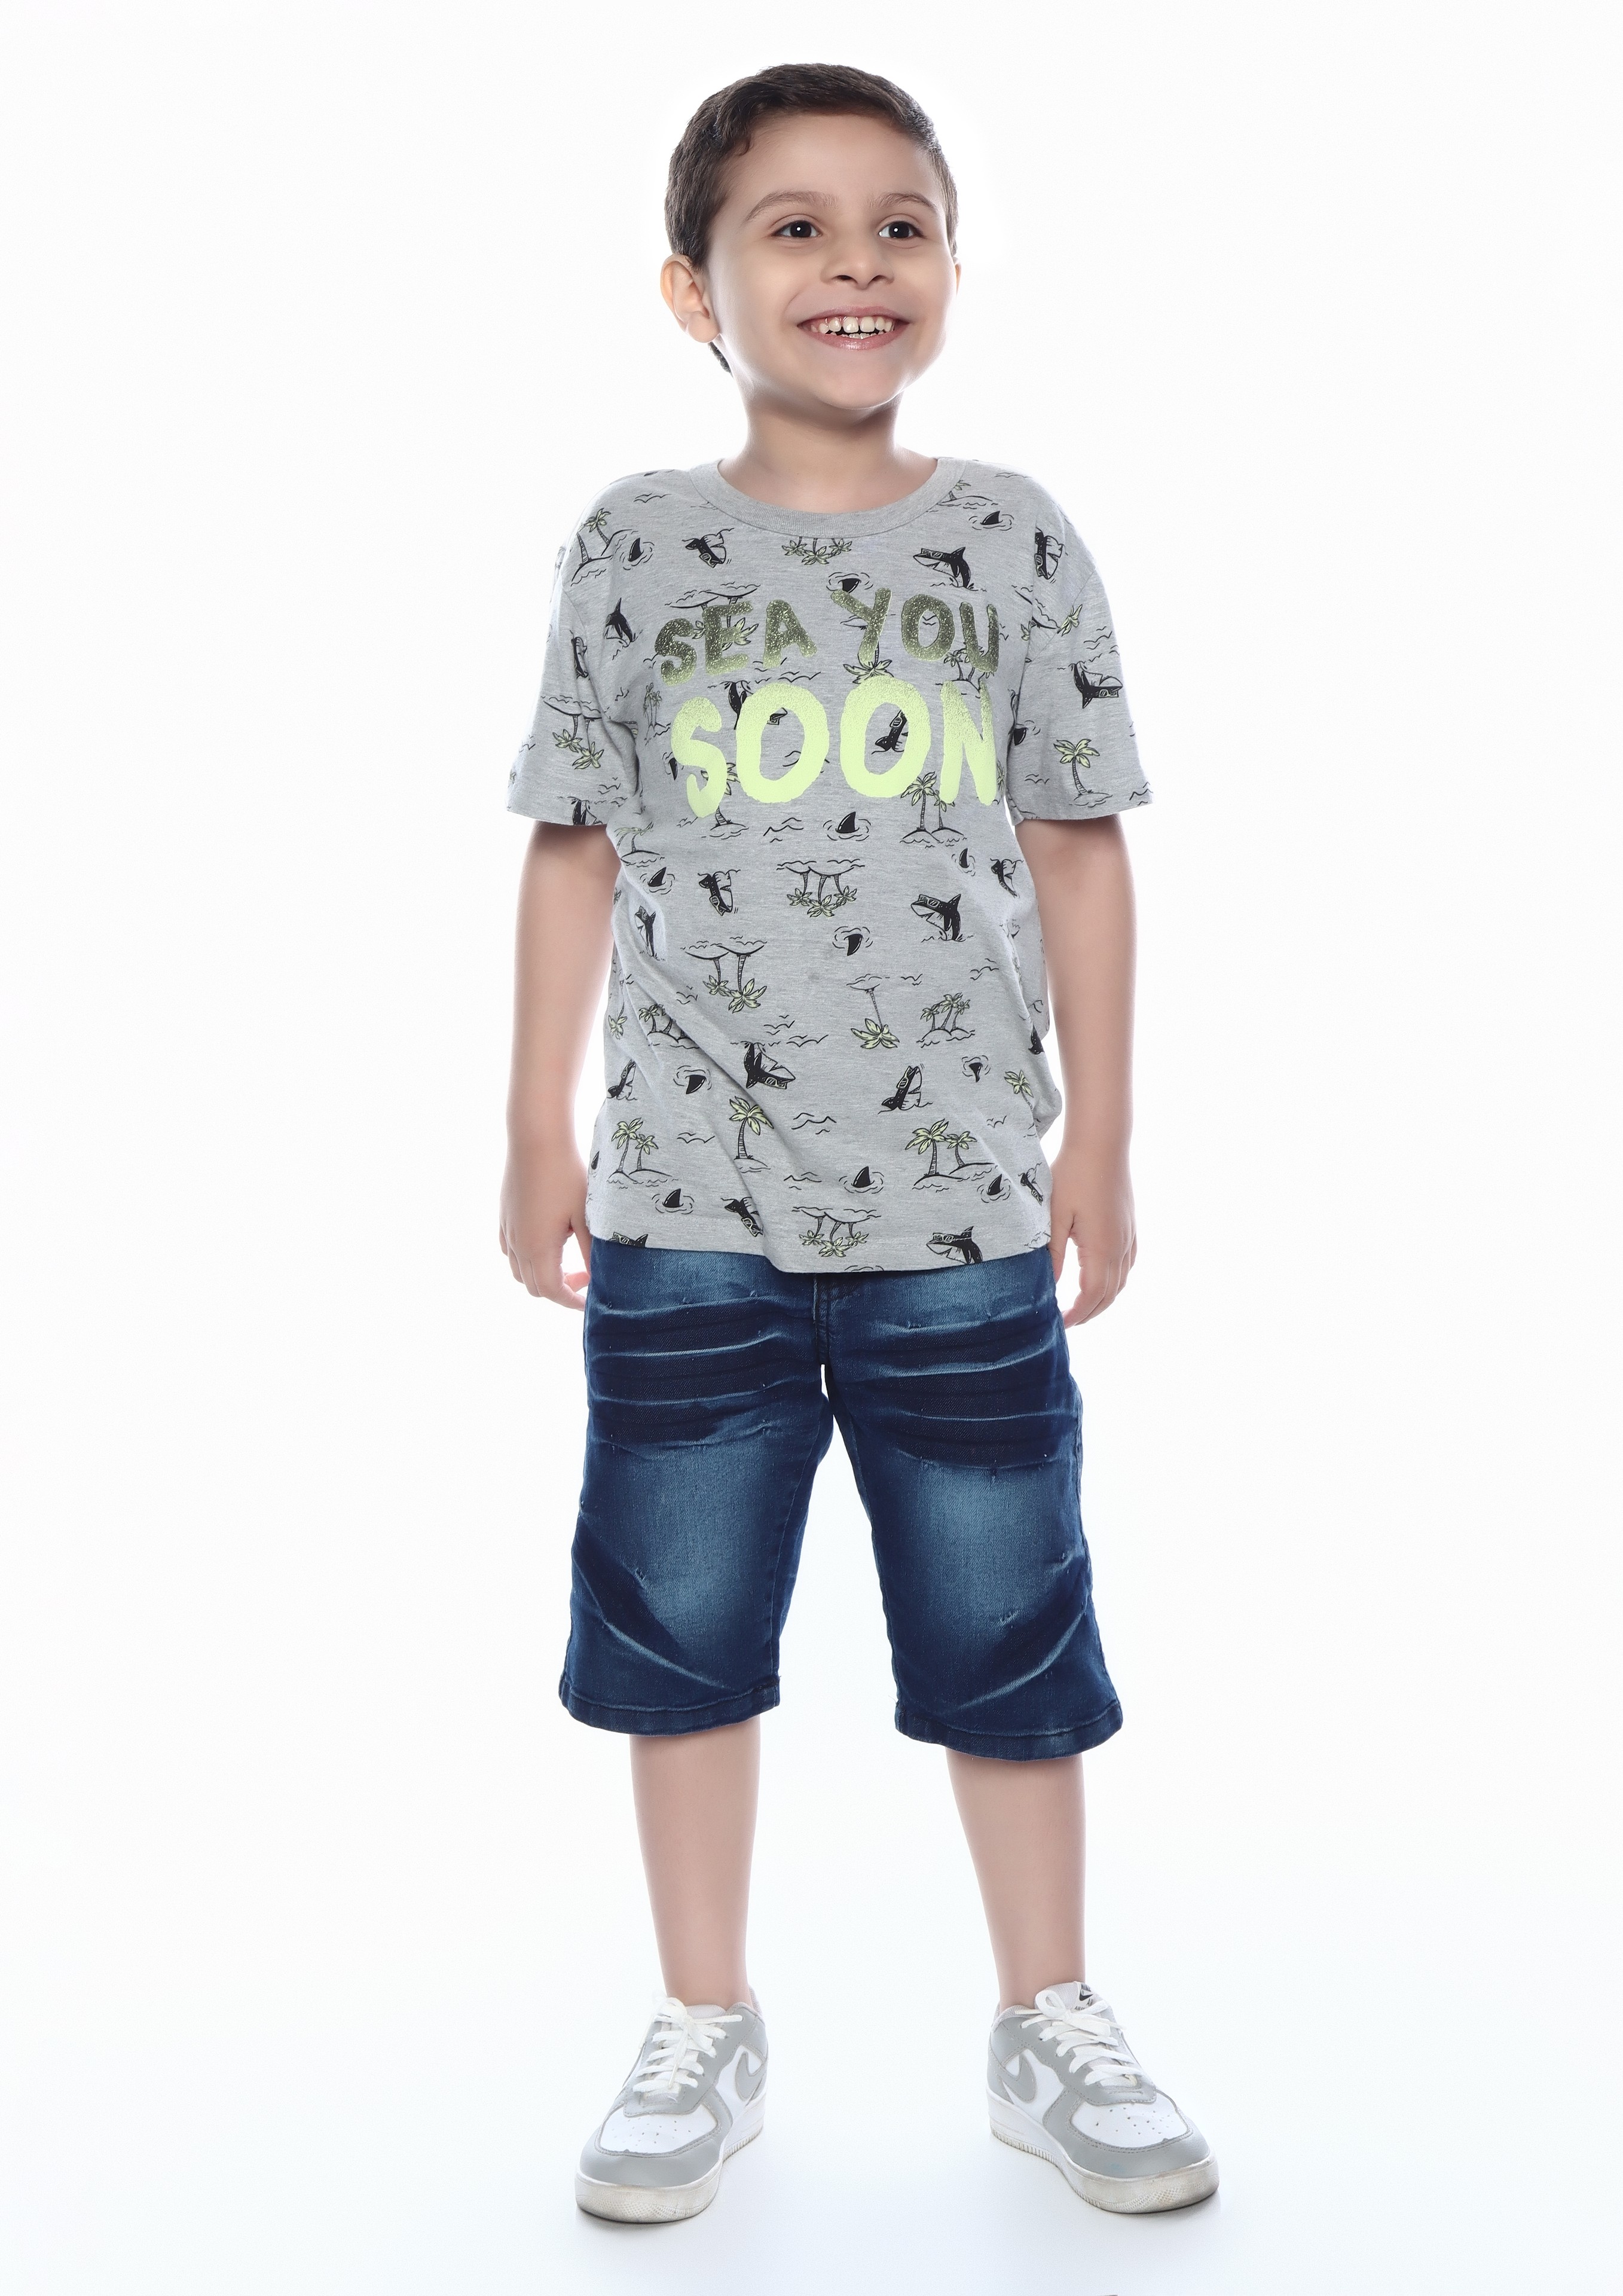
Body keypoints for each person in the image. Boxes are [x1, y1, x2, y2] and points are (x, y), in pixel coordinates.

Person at [499, 63, 1216, 2227]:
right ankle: (701, 2018)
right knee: (676, 1619)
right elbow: (573, 843)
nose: (854, 264)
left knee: (1008, 1626)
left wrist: (1103, 1138)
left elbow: (1077, 848)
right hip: (685, 1198)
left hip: (959, 1202)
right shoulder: (634, 544)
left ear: (952, 268)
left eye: (898, 223)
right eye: (792, 226)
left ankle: (1046, 2013)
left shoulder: (1012, 538)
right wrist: (531, 1126)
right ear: (690, 287)